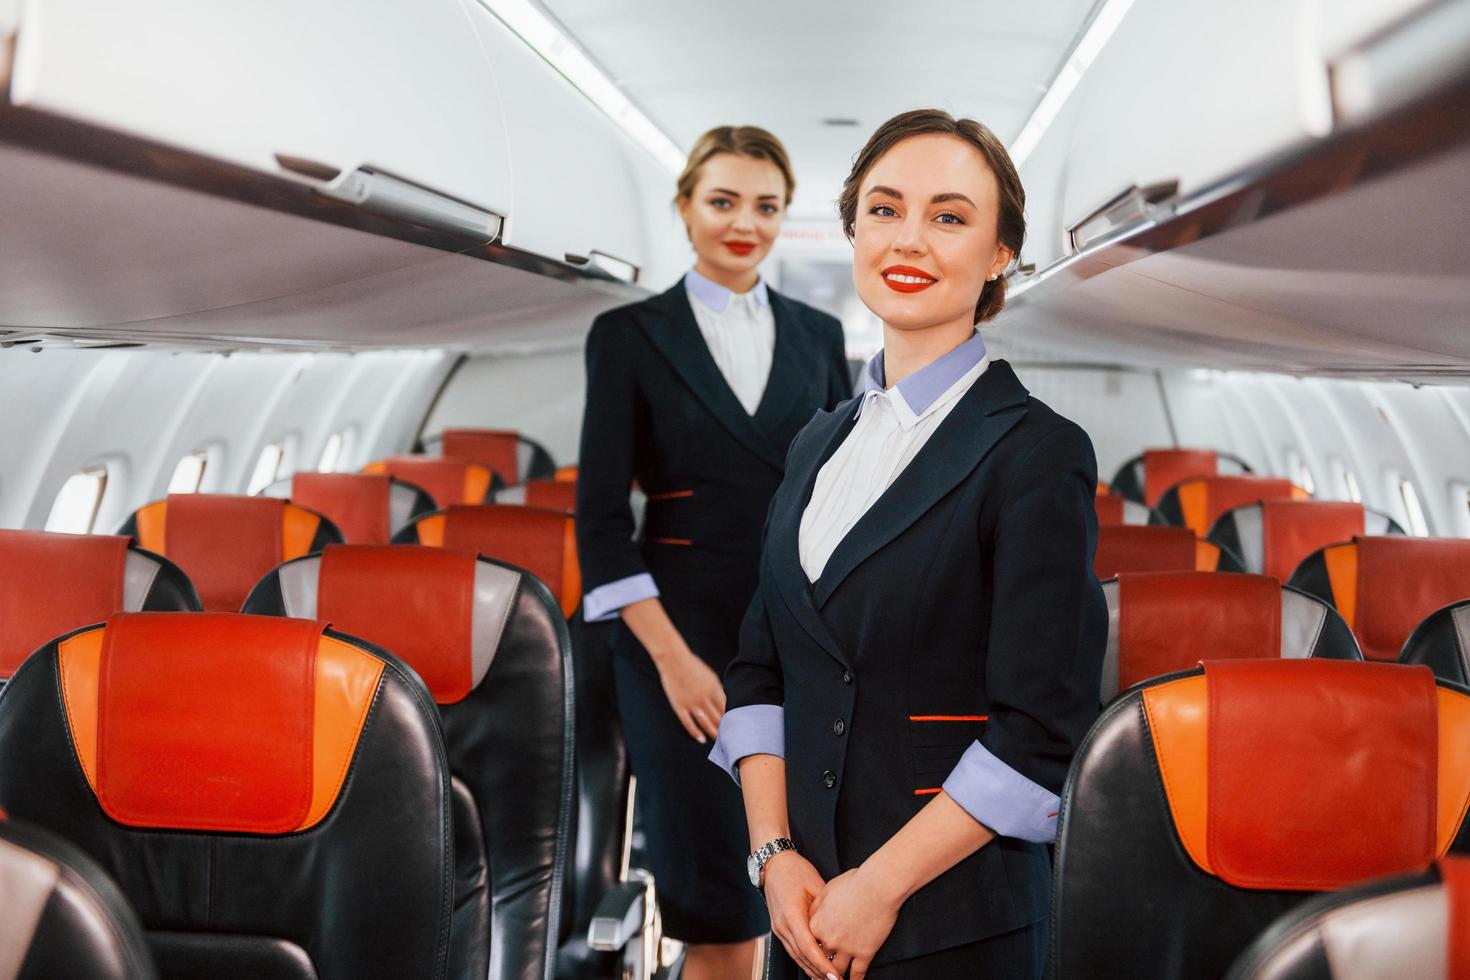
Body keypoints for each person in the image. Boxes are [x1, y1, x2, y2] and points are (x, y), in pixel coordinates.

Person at [709, 109, 1106, 978]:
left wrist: (879, 886)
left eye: (951, 216)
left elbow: (1039, 729)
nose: (910, 240)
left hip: (952, 929)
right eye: (885, 210)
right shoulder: (817, 444)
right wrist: (773, 858)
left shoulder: (1039, 454)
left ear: (1001, 253)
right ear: (854, 229)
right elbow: (759, 670)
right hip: (804, 918)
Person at [575, 125, 851, 979]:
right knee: (719, 908)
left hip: (793, 635)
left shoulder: (817, 335)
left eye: (766, 206)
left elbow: (839, 498)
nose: (746, 223)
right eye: (723, 201)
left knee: (807, 887)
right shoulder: (629, 335)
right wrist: (674, 663)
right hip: (678, 638)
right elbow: (599, 520)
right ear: (686, 209)